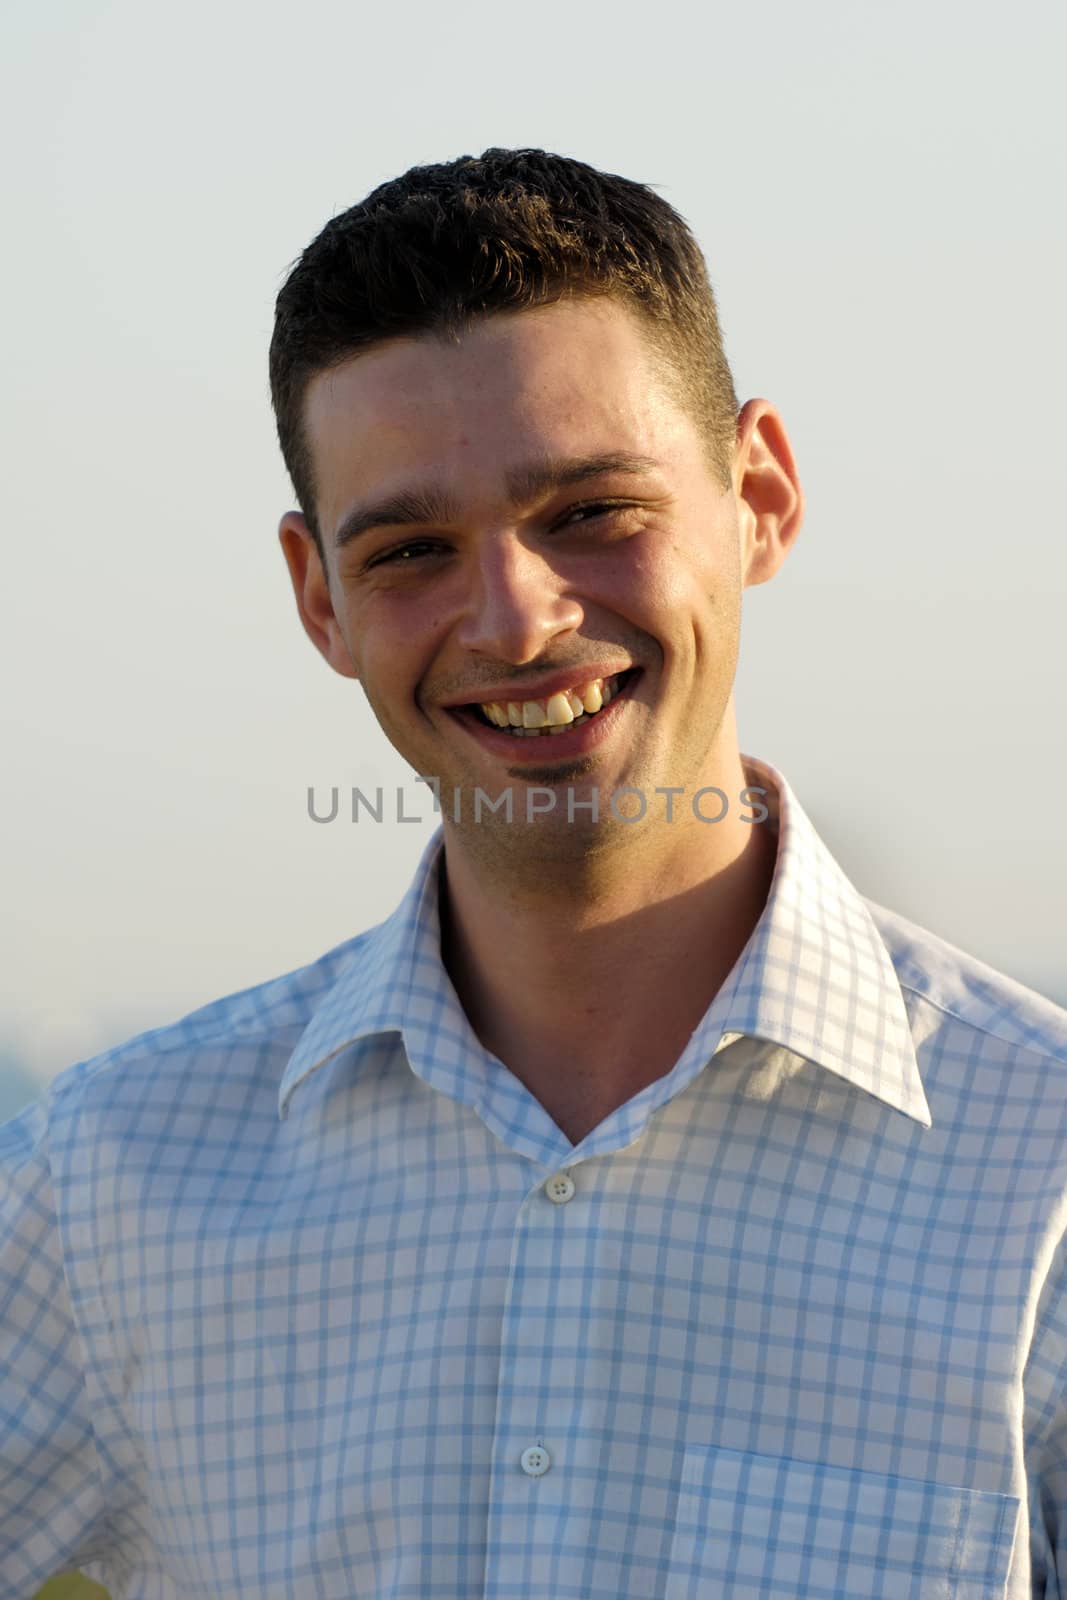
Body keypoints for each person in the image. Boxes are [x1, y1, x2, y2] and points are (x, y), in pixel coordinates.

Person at [2, 147, 1065, 1600]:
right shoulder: (114, 1180)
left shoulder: (1046, 1179)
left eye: (590, 512)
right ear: (321, 600)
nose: (514, 620)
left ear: (759, 493)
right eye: (413, 549)